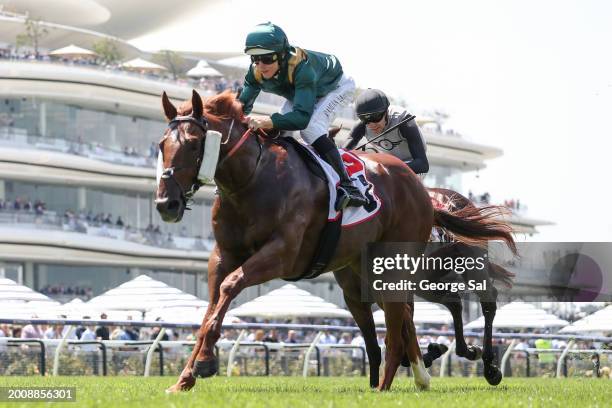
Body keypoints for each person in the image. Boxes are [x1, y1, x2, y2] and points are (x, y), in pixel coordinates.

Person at [238, 22, 367, 210]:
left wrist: (268, 121)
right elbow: (241, 107)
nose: (260, 65)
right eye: (255, 59)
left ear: (281, 55)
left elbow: (301, 119)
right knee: (278, 125)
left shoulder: (301, 67)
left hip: (336, 88)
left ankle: (349, 187)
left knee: (310, 129)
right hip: (302, 92)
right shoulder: (255, 72)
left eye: (267, 58)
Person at [344, 89, 429, 176]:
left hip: (412, 165)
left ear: (386, 112)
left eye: (376, 117)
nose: (372, 124)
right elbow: (342, 153)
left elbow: (423, 165)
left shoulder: (404, 120)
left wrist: (385, 170)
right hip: (386, 165)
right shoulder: (361, 125)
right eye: (364, 119)